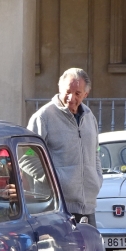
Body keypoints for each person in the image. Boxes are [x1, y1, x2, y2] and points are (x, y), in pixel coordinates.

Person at [27, 68, 102, 226]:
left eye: (77, 93)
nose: (71, 98)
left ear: (85, 94)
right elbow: (27, 157)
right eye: (67, 91)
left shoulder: (90, 117)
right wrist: (54, 182)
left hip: (87, 206)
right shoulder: (43, 117)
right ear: (59, 88)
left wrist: (97, 180)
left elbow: (96, 151)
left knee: (90, 250)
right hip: (56, 208)